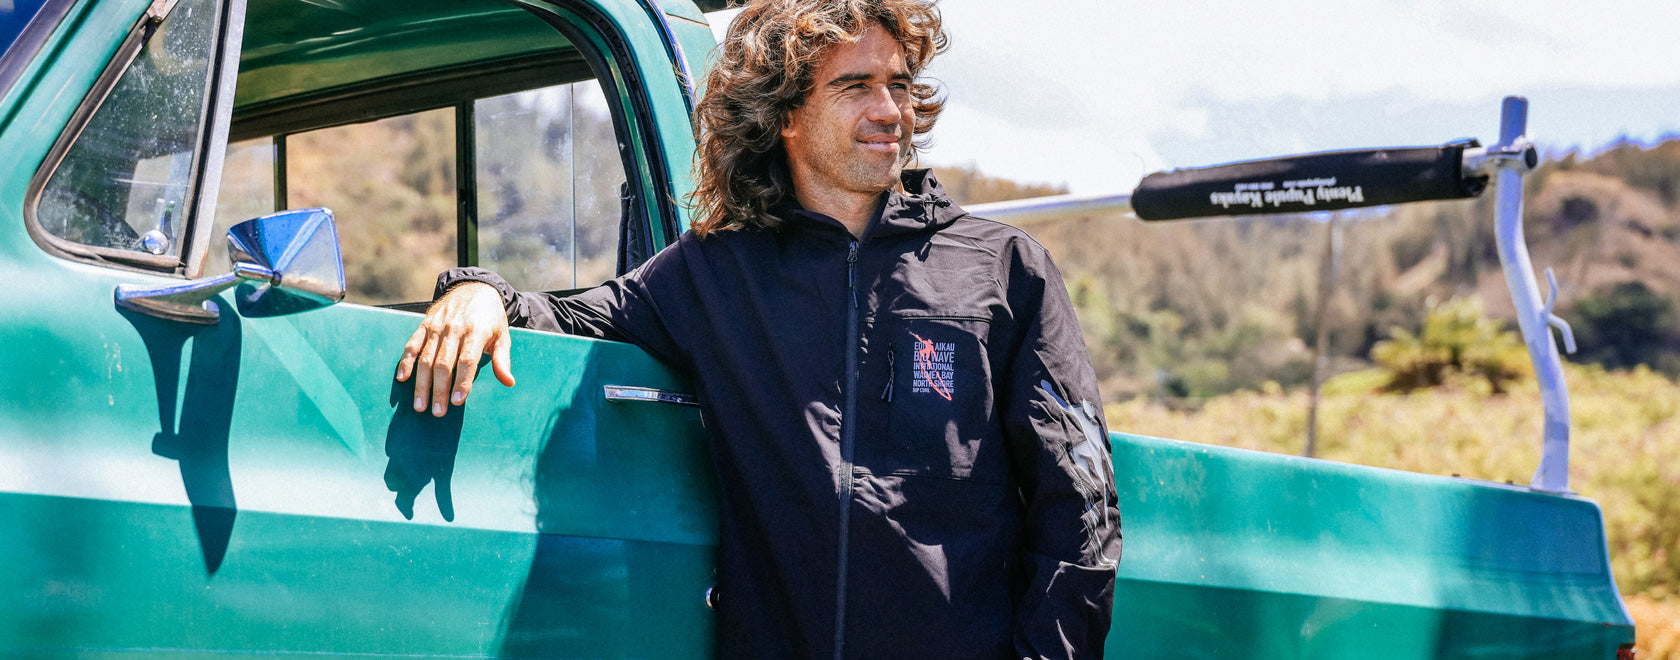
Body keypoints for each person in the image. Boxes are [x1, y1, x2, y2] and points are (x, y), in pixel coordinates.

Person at [393, 0, 1121, 657]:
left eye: (898, 85)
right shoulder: (715, 273)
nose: (890, 110)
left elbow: (1081, 502)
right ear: (786, 115)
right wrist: (476, 292)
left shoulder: (1003, 269)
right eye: (854, 86)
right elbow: (573, 313)